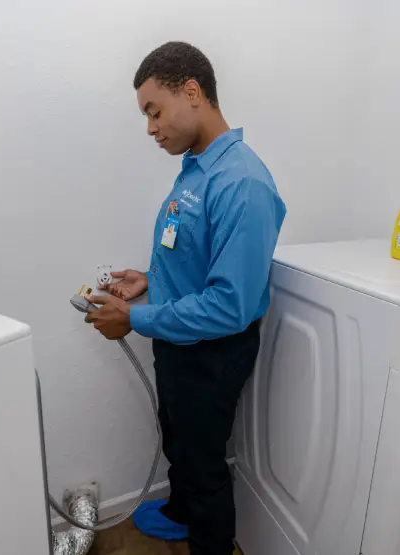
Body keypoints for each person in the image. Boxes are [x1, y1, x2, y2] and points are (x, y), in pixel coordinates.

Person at [84, 41, 286, 555]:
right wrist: (148, 279)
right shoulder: (196, 168)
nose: (151, 128)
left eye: (154, 111)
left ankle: (210, 542)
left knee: (203, 466)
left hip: (213, 351)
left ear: (192, 92)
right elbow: (194, 256)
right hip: (178, 337)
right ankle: (179, 512)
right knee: (175, 435)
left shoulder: (242, 183)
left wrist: (135, 316)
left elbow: (229, 305)